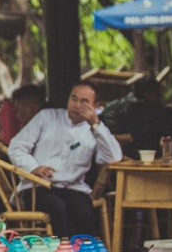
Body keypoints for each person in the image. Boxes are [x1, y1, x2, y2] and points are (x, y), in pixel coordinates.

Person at [8, 80, 123, 238]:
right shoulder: (47, 116)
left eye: (84, 102)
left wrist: (96, 125)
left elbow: (114, 158)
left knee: (83, 211)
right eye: (74, 99)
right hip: (37, 188)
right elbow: (16, 146)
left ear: (95, 106)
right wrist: (33, 167)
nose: (77, 105)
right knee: (57, 207)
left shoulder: (95, 130)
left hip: (72, 187)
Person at [101, 76, 172, 156]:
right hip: (143, 157)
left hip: (112, 156)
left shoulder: (112, 106)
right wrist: (169, 109)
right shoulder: (154, 111)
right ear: (149, 94)